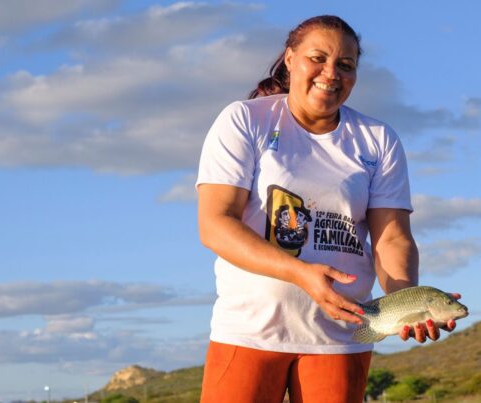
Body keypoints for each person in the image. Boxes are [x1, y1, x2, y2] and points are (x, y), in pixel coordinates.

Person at [196, 15, 460, 403]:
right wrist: (300, 273)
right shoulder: (244, 120)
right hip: (249, 328)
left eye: (346, 65)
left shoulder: (378, 140)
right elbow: (215, 224)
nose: (330, 73)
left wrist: (409, 301)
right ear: (290, 59)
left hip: (341, 335)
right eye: (317, 58)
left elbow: (392, 236)